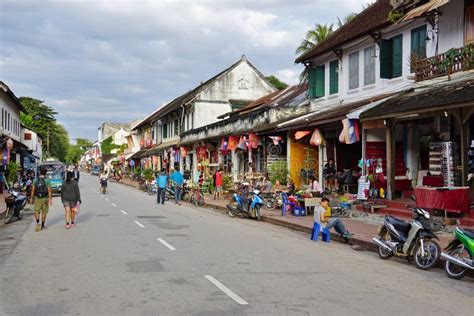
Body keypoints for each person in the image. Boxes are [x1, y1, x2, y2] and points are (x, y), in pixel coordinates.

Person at [30, 168, 52, 232]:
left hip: (37, 198)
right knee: (44, 212)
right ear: (45, 173)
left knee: (36, 211)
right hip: (45, 198)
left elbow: (33, 190)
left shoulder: (35, 179)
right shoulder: (47, 180)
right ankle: (42, 225)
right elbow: (49, 191)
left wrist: (31, 198)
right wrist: (50, 199)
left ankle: (37, 222)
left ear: (40, 172)